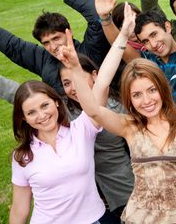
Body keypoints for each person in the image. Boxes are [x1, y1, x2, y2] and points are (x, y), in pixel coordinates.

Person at [57, 2, 176, 224]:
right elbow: (93, 107)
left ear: (162, 88)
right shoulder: (129, 126)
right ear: (129, 98)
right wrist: (76, 70)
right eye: (136, 95)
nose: (146, 100)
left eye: (151, 90)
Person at [0, 0, 111, 94]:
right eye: (46, 43)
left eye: (56, 38)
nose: (53, 47)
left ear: (69, 32)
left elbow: (97, 15)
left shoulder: (91, 50)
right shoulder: (43, 60)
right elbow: (11, 46)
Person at [9, 80, 105, 223]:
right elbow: (19, 208)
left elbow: (102, 86)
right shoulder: (21, 156)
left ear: (56, 102)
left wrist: (74, 65)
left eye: (45, 105)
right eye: (31, 112)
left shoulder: (81, 129)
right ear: (24, 118)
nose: (41, 115)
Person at [58, 54, 135, 223]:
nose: (73, 88)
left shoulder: (118, 107)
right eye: (66, 83)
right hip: (86, 202)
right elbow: (22, 96)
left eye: (77, 79)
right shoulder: (62, 111)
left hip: (123, 192)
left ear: (94, 75)